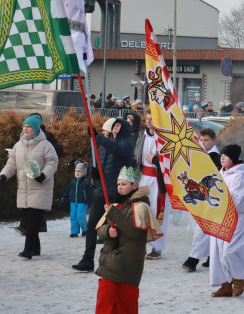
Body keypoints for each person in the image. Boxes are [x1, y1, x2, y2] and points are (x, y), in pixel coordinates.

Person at [78, 166, 161, 314]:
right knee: (105, 294)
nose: (120, 187)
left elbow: (133, 231)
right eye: (118, 184)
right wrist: (109, 230)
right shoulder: (115, 205)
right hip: (111, 259)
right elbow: (100, 228)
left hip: (129, 261)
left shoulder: (141, 207)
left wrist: (113, 214)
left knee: (127, 298)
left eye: (124, 184)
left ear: (134, 185)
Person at [72, 117, 135, 272]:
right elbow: (103, 164)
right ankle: (87, 260)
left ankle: (119, 261)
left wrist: (97, 137)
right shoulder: (105, 145)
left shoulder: (127, 143)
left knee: (116, 229)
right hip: (103, 191)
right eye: (114, 124)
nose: (115, 127)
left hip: (117, 194)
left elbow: (118, 149)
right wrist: (96, 174)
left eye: (119, 125)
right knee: (92, 225)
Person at [0, 116, 59, 260]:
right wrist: (4, 175)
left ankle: (28, 250)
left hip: (40, 187)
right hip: (24, 189)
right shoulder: (18, 145)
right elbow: (11, 163)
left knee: (32, 220)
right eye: (24, 126)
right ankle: (36, 248)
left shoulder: (45, 145)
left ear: (36, 129)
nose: (25, 129)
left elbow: (53, 162)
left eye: (29, 127)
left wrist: (43, 175)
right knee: (28, 218)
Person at [209, 144, 244, 296]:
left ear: (233, 158)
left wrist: (216, 197)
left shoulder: (239, 177)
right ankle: (225, 284)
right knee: (218, 254)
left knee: (229, 252)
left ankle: (238, 280)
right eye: (222, 154)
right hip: (219, 218)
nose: (222, 157)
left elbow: (235, 199)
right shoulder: (220, 174)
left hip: (235, 218)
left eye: (227, 155)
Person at [182, 127, 219, 272]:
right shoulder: (200, 153)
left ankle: (193, 259)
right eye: (201, 140)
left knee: (202, 228)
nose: (203, 143)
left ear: (213, 141)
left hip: (207, 197)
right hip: (198, 195)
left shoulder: (215, 157)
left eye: (206, 140)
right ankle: (212, 257)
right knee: (200, 227)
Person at [138, 112, 171, 260]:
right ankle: (140, 243)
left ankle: (157, 248)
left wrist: (157, 160)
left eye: (152, 119)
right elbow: (136, 156)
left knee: (158, 212)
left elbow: (171, 161)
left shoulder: (165, 139)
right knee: (142, 211)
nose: (149, 121)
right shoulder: (142, 136)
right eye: (147, 119)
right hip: (143, 178)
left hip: (159, 181)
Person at [59, 162, 94, 238]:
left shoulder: (86, 181)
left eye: (80, 171)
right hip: (73, 202)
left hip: (83, 201)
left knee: (80, 216)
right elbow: (68, 191)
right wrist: (63, 198)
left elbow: (91, 190)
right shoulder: (72, 181)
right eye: (76, 171)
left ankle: (85, 230)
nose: (77, 173)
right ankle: (74, 232)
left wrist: (91, 184)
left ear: (83, 172)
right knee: (73, 217)